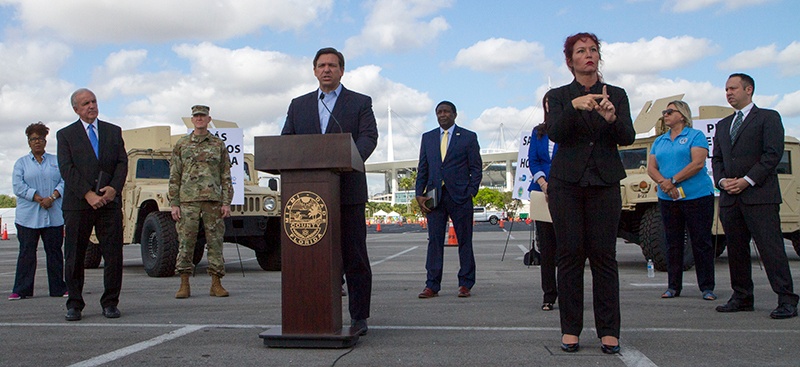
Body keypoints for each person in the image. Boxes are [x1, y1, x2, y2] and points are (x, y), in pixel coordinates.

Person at [545, 32, 635, 354]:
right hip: (567, 185)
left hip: (604, 182)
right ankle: (571, 329)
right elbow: (553, 131)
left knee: (604, 257)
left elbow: (627, 136)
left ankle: (609, 330)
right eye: (581, 51)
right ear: (570, 61)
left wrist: (610, 118)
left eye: (593, 50)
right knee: (569, 256)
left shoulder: (618, 94)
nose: (589, 55)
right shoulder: (557, 96)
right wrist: (574, 106)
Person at [281, 47, 378, 335]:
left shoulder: (360, 102)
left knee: (354, 256)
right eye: (322, 65)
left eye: (333, 65)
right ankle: (313, 317)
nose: (327, 70)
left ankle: (359, 318)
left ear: (342, 71)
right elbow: (287, 141)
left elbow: (369, 138)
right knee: (313, 258)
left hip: (347, 192)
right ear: (314, 70)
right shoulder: (298, 105)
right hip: (309, 197)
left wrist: (347, 159)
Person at [712, 73, 798, 319]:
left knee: (771, 249)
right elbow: (717, 159)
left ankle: (787, 299)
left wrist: (747, 180)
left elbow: (773, 154)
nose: (728, 93)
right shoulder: (723, 125)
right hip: (730, 198)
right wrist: (721, 181)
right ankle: (742, 296)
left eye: (733, 88)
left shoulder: (768, 118)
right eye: (726, 89)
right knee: (737, 250)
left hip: (759, 196)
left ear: (748, 90)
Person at [57, 88, 128, 321]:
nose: (91, 106)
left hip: (108, 203)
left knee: (113, 255)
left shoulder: (113, 131)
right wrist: (87, 194)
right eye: (86, 103)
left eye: (94, 101)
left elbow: (121, 163)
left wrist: (113, 188)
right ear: (76, 109)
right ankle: (74, 304)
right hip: (79, 204)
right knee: (75, 255)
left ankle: (110, 303)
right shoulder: (65, 135)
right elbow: (67, 169)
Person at [647, 100, 716, 301]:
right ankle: (673, 286)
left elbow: (697, 163)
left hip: (697, 196)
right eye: (664, 112)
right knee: (672, 242)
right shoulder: (660, 141)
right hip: (668, 198)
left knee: (701, 241)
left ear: (682, 115)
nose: (665, 115)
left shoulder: (695, 136)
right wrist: (664, 183)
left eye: (670, 111)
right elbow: (652, 167)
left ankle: (707, 286)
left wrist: (673, 181)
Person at [415, 101, 482, 299]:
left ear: (454, 114)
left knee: (464, 241)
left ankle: (465, 283)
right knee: (434, 241)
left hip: (460, 196)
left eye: (446, 112)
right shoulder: (427, 138)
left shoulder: (468, 137)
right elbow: (423, 168)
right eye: (439, 112)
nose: (442, 115)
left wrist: (471, 191)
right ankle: (432, 285)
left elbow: (476, 168)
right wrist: (419, 193)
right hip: (434, 197)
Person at [170, 105, 233, 299]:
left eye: (202, 116)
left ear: (208, 119)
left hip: (212, 201)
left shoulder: (218, 145)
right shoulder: (182, 144)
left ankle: (216, 283)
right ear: (192, 120)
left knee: (215, 242)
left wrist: (226, 202)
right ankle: (184, 283)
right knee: (186, 242)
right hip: (188, 200)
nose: (199, 119)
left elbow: (225, 175)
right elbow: (175, 174)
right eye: (196, 116)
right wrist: (174, 202)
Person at [9, 122, 67, 300]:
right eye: (33, 139)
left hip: (53, 215)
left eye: (40, 139)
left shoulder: (56, 161)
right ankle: (22, 289)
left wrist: (53, 197)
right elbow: (18, 187)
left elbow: (65, 181)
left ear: (45, 141)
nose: (37, 142)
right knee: (26, 253)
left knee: (55, 253)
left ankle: (59, 288)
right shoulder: (21, 163)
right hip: (28, 217)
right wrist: (38, 198)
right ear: (28, 142)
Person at [527, 94, 558, 311]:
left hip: (568, 192)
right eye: (548, 103)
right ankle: (549, 295)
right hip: (542, 192)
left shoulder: (571, 129)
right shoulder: (539, 132)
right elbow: (534, 160)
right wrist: (544, 183)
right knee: (547, 248)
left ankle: (570, 294)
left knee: (569, 249)